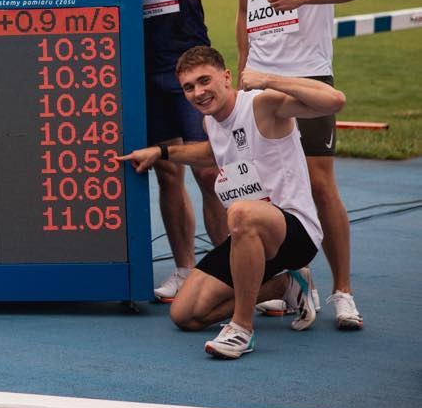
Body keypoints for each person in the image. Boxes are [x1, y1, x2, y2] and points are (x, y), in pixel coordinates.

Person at [61, 0, 244, 300]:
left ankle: (229, 269)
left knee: (209, 171)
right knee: (167, 173)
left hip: (189, 69)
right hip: (145, 72)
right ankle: (185, 269)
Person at [119, 46, 346, 359]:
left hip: (293, 232)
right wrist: (161, 152)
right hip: (247, 235)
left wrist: (267, 78)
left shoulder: (262, 105)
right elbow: (212, 153)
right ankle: (283, 287)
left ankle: (242, 329)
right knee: (185, 315)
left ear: (226, 77)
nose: (198, 93)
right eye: (189, 87)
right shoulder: (210, 123)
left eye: (204, 81)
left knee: (240, 213)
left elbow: (335, 100)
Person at [234, 0, 373, 330]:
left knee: (319, 184)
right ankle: (294, 278)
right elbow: (244, 13)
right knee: (270, 190)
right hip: (259, 81)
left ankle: (343, 291)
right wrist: (242, 70)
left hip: (308, 75)